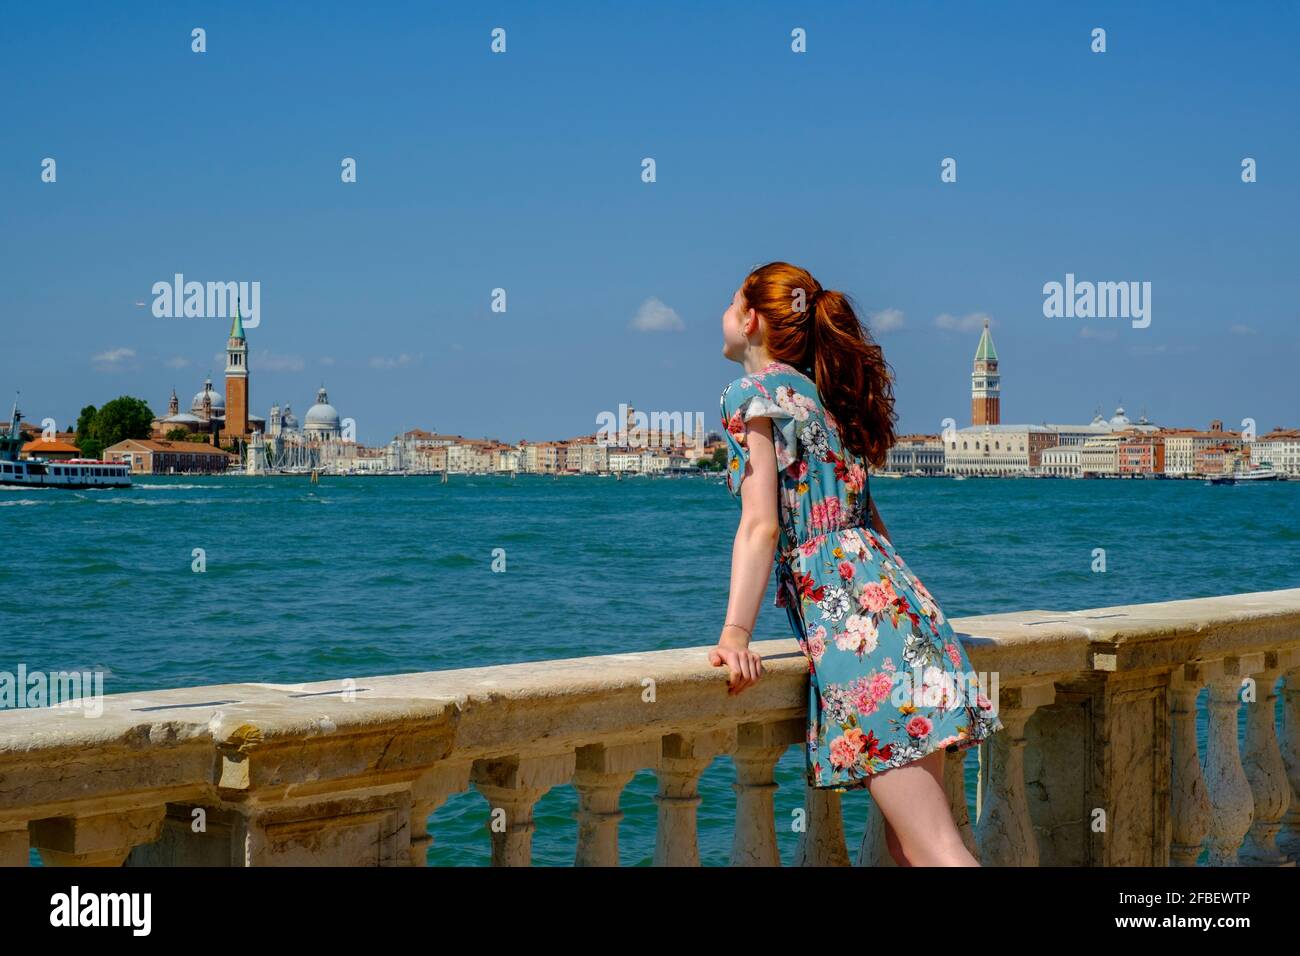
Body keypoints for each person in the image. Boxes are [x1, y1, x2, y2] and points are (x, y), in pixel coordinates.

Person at [707, 261, 1004, 867]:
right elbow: (871, 524)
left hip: (863, 642)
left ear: (751, 319)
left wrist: (736, 632)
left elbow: (760, 524)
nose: (721, 314)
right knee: (911, 847)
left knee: (936, 849)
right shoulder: (823, 400)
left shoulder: (751, 395)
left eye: (730, 301)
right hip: (903, 615)